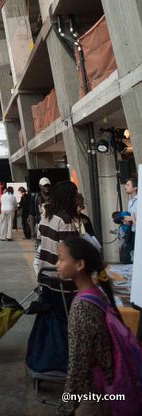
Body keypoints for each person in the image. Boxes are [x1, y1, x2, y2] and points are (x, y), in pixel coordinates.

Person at [56, 236, 119, 415]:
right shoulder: (96, 293)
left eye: (61, 258)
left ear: (79, 265)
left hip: (91, 397)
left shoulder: (82, 306)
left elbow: (78, 364)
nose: (57, 264)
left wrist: (66, 406)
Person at [37, 180, 80, 274]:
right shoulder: (65, 221)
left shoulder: (46, 216)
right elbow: (69, 252)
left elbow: (40, 238)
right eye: (75, 196)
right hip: (60, 277)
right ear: (68, 199)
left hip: (45, 273)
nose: (77, 200)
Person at [122, 177, 138, 263]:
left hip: (138, 232)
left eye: (128, 185)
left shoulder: (139, 200)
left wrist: (132, 218)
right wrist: (127, 221)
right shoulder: (130, 201)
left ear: (135, 188)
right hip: (132, 231)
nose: (125, 186)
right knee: (127, 254)